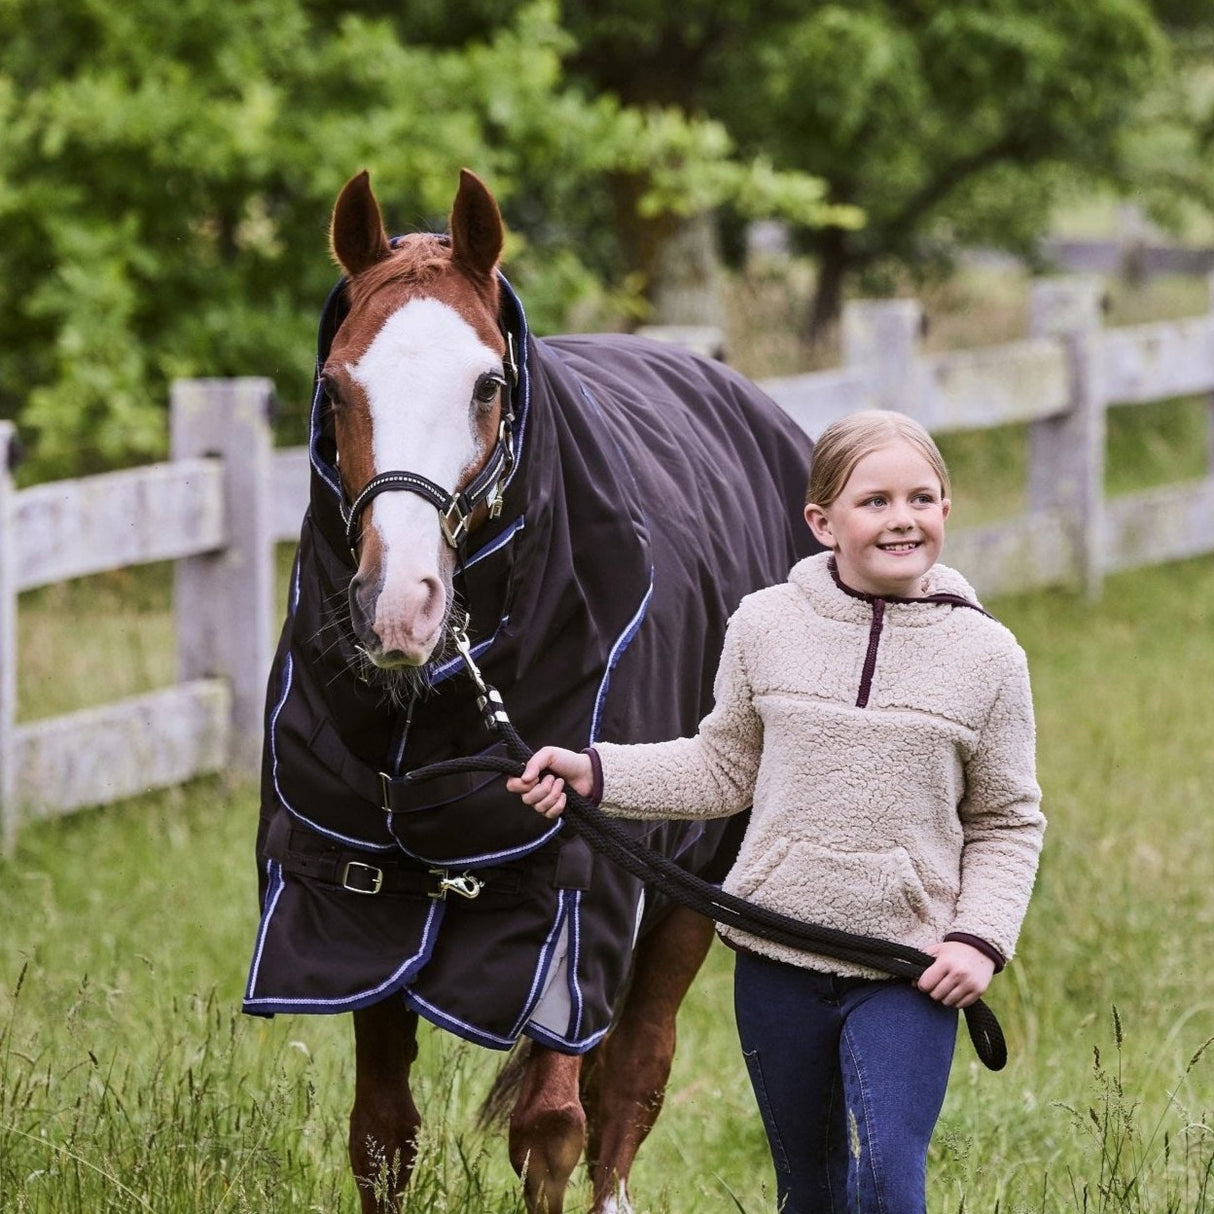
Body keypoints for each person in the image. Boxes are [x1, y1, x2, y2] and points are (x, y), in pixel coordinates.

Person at [507, 409, 1045, 1214]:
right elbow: (722, 766)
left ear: (946, 508)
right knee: (811, 1188)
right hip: (777, 962)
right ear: (822, 521)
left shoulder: (988, 657)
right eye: (875, 502)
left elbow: (1007, 818)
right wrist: (596, 774)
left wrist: (979, 940)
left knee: (891, 1183)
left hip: (906, 968)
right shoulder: (765, 625)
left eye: (922, 498)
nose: (903, 518)